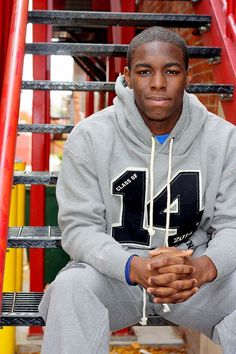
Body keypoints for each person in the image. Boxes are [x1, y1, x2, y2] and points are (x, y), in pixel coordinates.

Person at [39, 26, 236, 354]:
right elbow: (79, 229)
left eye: (171, 71)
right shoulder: (89, 136)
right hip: (117, 274)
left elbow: (232, 224)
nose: (158, 83)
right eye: (145, 72)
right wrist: (135, 267)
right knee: (71, 287)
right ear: (127, 76)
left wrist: (201, 269)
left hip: (193, 275)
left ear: (187, 76)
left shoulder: (225, 139)